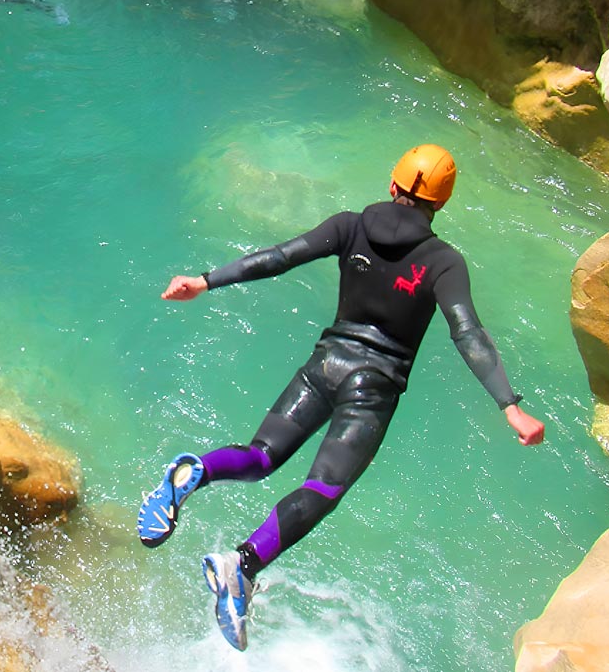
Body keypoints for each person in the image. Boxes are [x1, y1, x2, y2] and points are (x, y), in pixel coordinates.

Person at [136, 145, 545, 651]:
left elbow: (280, 257)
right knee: (323, 489)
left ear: (392, 184)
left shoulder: (348, 226)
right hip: (372, 388)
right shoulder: (443, 262)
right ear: (441, 203)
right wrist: (509, 404)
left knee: (260, 457)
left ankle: (194, 471)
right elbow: (469, 333)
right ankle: (239, 567)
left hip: (324, 366)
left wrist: (205, 281)